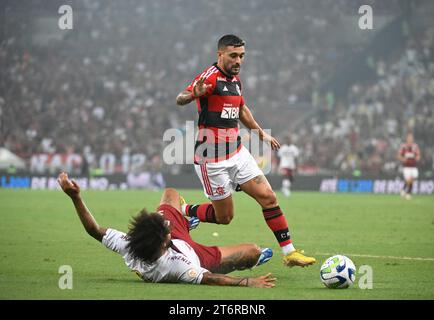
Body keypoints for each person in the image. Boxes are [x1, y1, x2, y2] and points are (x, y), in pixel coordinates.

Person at [176, 34, 315, 267]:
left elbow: (241, 109)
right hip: (211, 158)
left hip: (238, 153)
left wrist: (261, 133)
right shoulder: (208, 78)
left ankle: (289, 252)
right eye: (233, 56)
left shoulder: (236, 80)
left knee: (268, 197)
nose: (238, 61)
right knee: (225, 217)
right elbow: (180, 98)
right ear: (220, 55)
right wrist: (193, 95)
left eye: (242, 56)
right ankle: (184, 210)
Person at [57, 172, 275, 287]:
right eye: (165, 231)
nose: (167, 227)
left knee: (170, 193)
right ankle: (252, 259)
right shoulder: (175, 266)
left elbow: (94, 230)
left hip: (176, 241)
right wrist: (248, 282)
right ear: (163, 244)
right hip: (198, 257)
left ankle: (186, 220)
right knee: (252, 251)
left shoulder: (130, 244)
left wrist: (75, 197)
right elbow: (211, 279)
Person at [397, 133, 421, 200]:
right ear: (407, 139)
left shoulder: (415, 146)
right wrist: (403, 159)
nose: (410, 139)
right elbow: (399, 155)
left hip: (413, 166)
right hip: (406, 167)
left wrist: (417, 158)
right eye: (409, 138)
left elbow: (418, 155)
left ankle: (403, 189)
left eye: (411, 138)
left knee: (413, 177)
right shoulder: (403, 146)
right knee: (408, 179)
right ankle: (408, 193)